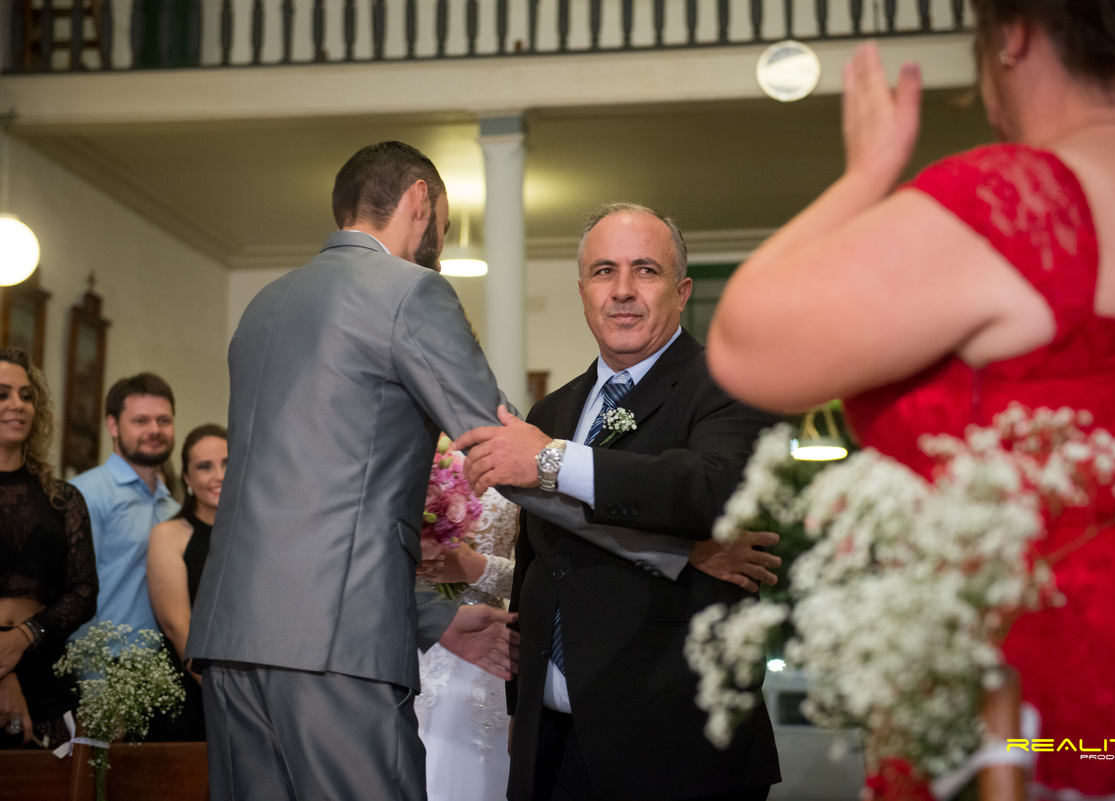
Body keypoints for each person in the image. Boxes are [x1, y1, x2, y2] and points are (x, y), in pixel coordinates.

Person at [706, 0, 1115, 795]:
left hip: (1046, 716)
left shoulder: (1026, 202)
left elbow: (743, 343)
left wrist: (867, 173)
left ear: (1013, 32)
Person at [186, 142, 722, 801]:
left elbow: (286, 503)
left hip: (228, 640)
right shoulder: (409, 290)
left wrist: (428, 616)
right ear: (420, 200)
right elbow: (507, 454)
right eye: (443, 222)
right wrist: (672, 548)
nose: (440, 244)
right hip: (338, 647)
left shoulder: (264, 306)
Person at [455, 203, 784, 801]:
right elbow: (538, 561)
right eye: (604, 271)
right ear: (583, 291)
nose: (623, 290)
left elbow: (707, 489)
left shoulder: (731, 382)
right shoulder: (553, 410)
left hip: (676, 750)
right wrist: (519, 708)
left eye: (646, 270)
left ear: (682, 291)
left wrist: (553, 460)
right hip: (552, 747)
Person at [0, 347, 98, 749]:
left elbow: (84, 591)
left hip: (46, 668)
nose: (17, 404)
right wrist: (4, 675)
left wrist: (26, 634)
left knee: (53, 778)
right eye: (2, 394)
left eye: (26, 395)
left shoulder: (63, 498)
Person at [415, 483, 519, 801]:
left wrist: (478, 569)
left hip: (487, 643)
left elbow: (544, 578)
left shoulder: (520, 478)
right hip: (419, 641)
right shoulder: (415, 467)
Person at [70, 373, 180, 645]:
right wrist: (91, 669)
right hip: (104, 660)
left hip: (165, 661)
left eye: (163, 420)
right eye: (141, 421)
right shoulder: (84, 495)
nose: (154, 430)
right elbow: (71, 593)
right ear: (113, 425)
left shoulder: (175, 509)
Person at [145, 423, 227, 742]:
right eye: (205, 467)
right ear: (188, 479)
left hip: (255, 690)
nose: (219, 475)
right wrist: (227, 697)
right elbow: (178, 628)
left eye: (227, 463)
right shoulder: (170, 535)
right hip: (192, 691)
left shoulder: (261, 535)